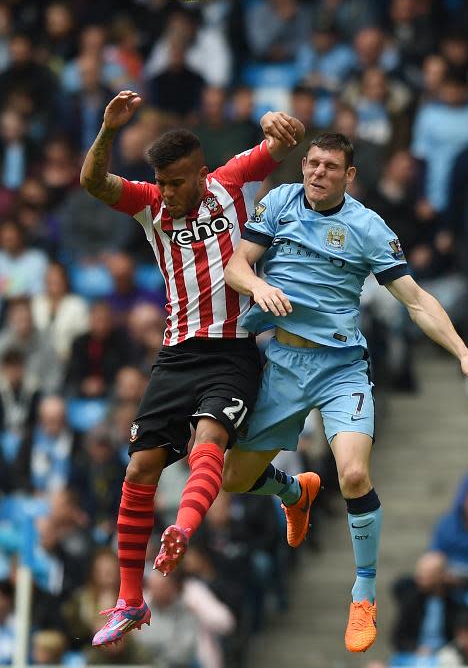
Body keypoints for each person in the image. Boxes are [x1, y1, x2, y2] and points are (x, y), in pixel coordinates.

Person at [222, 132, 468, 653]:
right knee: (233, 481)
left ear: (350, 176)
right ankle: (295, 494)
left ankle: (363, 594)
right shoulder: (278, 202)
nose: (318, 172)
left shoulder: (368, 228)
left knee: (354, 473)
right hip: (282, 362)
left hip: (341, 367)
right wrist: (257, 286)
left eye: (331, 166)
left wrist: (463, 353)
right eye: (313, 163)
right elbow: (236, 264)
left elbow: (415, 301)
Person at [80, 90, 306, 646]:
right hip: (176, 354)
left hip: (232, 351)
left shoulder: (231, 182)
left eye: (178, 182)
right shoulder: (149, 204)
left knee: (210, 442)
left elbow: (283, 142)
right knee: (138, 472)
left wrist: (273, 120)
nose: (169, 193)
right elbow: (93, 182)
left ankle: (181, 529)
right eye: (162, 182)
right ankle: (129, 601)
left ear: (201, 173)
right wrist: (109, 131)